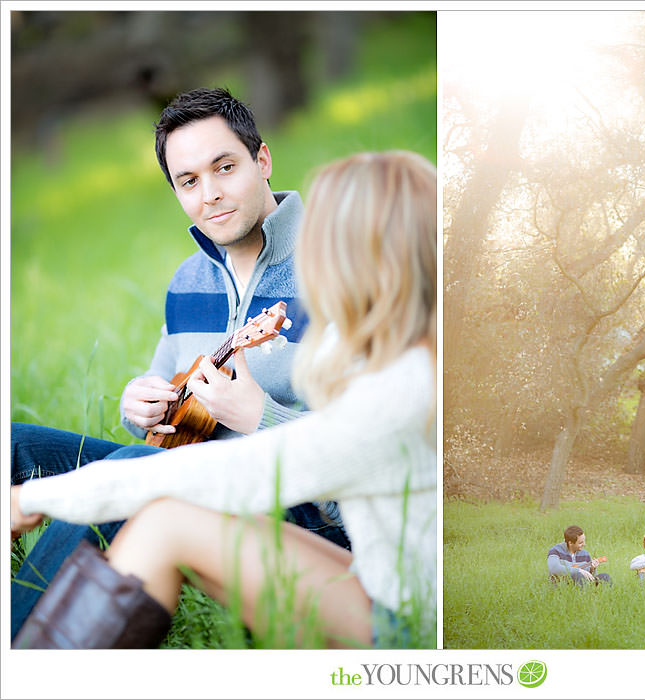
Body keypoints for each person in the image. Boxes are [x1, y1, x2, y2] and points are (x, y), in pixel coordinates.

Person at [11, 149, 438, 649]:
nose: (210, 191)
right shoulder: (398, 354)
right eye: (188, 179)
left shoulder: (400, 387)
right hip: (372, 571)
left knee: (158, 501)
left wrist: (259, 414)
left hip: (390, 606)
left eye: (225, 168)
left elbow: (269, 468)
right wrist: (140, 404)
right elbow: (167, 391)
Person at [547, 525, 611, 587]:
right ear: (570, 543)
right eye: (581, 543)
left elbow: (591, 577)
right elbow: (554, 569)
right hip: (562, 585)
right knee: (578, 575)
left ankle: (603, 596)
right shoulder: (555, 551)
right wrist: (578, 570)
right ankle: (581, 596)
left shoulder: (585, 554)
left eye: (584, 541)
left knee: (605, 576)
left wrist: (592, 569)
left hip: (583, 584)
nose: (584, 544)